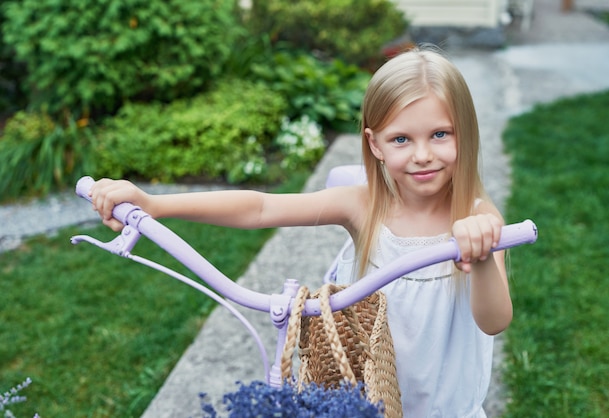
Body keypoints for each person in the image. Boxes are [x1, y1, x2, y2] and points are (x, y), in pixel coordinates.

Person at [90, 45, 510, 417]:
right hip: (360, 403)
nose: (422, 155)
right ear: (375, 144)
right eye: (401, 139)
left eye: (440, 134)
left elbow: (493, 322)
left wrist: (482, 254)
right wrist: (157, 205)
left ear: (465, 135)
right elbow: (260, 206)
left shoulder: (475, 217)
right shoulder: (364, 205)